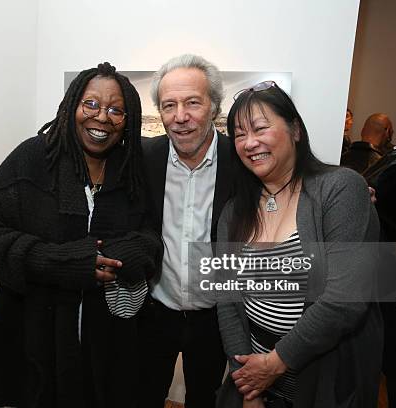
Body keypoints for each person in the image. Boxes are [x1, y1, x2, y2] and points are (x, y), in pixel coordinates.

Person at [0, 62, 162, 408]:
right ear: (72, 107)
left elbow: (150, 235)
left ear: (128, 120)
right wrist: (60, 262)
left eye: (116, 109)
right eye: (91, 104)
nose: (102, 117)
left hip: (108, 347)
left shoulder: (130, 169)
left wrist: (127, 253)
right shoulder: (33, 158)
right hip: (34, 343)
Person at [215, 81, 382, 408]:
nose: (250, 143)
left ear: (295, 130)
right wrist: (250, 387)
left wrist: (274, 365)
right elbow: (227, 300)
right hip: (254, 373)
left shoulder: (338, 189)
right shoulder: (234, 212)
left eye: (261, 128)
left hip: (320, 371)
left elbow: (345, 299)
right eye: (238, 134)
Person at [137, 54, 236, 408]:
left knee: (204, 399)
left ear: (214, 107)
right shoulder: (143, 157)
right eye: (169, 105)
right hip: (155, 310)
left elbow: (289, 171)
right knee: (144, 394)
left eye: (193, 102)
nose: (180, 116)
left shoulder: (240, 161)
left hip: (214, 317)